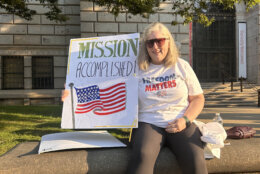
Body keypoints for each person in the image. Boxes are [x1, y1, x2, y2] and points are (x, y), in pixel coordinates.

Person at [126, 22, 208, 174]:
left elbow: (197, 99)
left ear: (169, 42)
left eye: (160, 41)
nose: (155, 47)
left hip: (181, 121)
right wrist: (72, 93)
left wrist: (186, 120)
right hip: (149, 122)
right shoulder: (136, 69)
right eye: (150, 42)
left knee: (195, 157)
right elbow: (107, 85)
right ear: (146, 46)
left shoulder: (181, 66)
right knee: (141, 157)